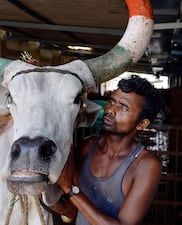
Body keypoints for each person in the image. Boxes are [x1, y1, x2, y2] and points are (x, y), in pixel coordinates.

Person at [46, 75, 162, 225]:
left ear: (142, 124)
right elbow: (67, 202)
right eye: (112, 101)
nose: (111, 110)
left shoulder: (146, 165)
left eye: (123, 107)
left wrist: (70, 190)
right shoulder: (86, 146)